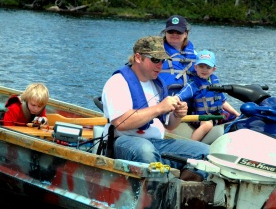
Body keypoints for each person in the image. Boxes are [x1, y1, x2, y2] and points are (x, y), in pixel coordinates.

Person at [101, 36, 209, 180]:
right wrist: (159, 108)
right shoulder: (117, 82)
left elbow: (169, 125)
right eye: (155, 59)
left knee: (203, 152)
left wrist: (178, 115)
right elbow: (121, 123)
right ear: (138, 58)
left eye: (163, 60)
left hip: (156, 144)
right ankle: (157, 192)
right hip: (124, 142)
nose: (161, 65)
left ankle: (179, 192)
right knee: (146, 151)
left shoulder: (156, 84)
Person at [176, 50, 240, 141]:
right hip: (201, 117)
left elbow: (223, 102)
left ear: (213, 69)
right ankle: (191, 143)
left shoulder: (215, 80)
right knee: (207, 124)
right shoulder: (193, 84)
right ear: (196, 67)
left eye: (208, 67)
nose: (204, 69)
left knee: (238, 119)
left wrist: (236, 114)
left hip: (217, 114)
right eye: (201, 66)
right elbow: (180, 96)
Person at [159, 14, 197, 96]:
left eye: (179, 32)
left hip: (190, 100)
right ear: (165, 33)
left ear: (185, 34)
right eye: (171, 31)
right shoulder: (156, 53)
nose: (174, 34)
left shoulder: (195, 55)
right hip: (164, 100)